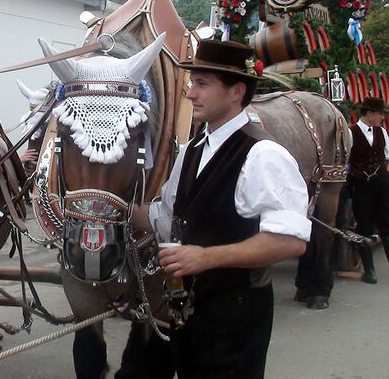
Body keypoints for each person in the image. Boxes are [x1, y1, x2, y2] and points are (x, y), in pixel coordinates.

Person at [134, 39, 311, 379]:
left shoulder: (264, 155)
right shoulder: (192, 149)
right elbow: (167, 218)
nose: (190, 94)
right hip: (188, 310)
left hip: (237, 312)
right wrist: (116, 210)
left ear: (236, 91)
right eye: (191, 83)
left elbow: (290, 241)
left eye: (202, 84)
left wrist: (206, 257)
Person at [348, 96, 389, 284]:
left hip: (381, 184)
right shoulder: (351, 133)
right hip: (361, 185)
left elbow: (387, 156)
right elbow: (346, 160)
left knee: (386, 225)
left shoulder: (382, 132)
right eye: (380, 113)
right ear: (370, 113)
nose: (382, 117)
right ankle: (369, 270)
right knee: (363, 226)